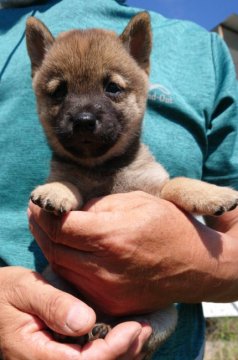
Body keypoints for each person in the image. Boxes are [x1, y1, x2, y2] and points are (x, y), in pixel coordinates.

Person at [1, 0, 238, 359]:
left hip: (155, 331)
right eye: (59, 91)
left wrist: (199, 263)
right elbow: (63, 192)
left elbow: (165, 189)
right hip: (50, 317)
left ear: (141, 64)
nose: (82, 113)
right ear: (37, 72)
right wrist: (64, 190)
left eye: (112, 88)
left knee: (165, 317)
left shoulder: (203, 50)